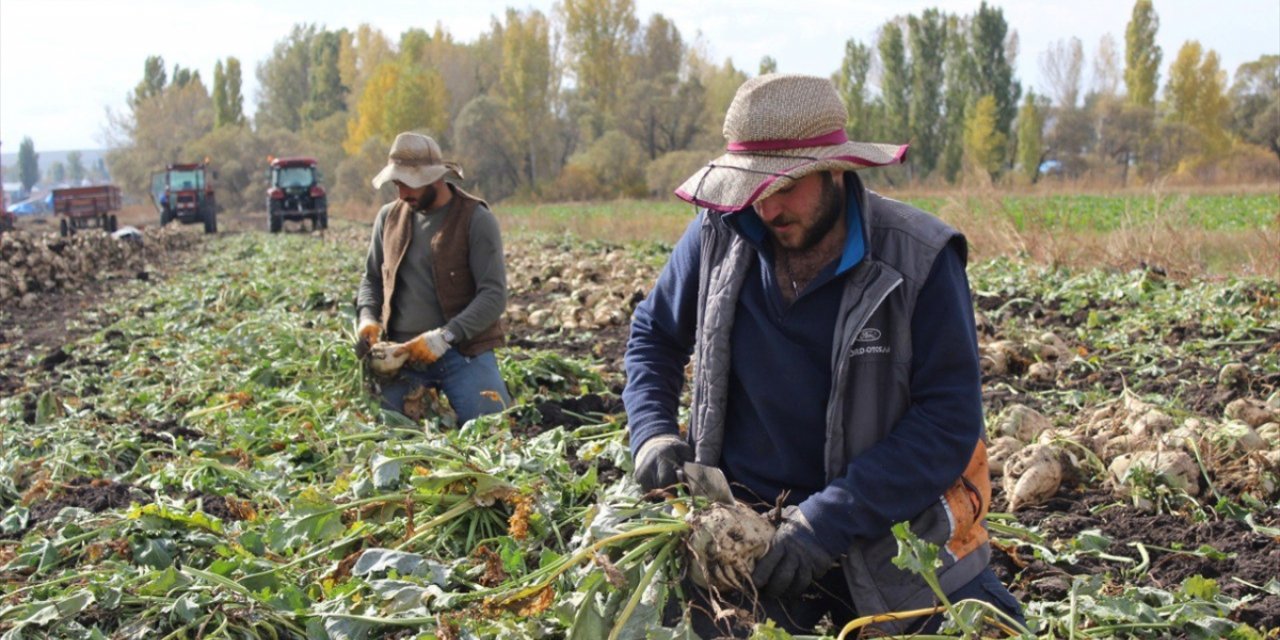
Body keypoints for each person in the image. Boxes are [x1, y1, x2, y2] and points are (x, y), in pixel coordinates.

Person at [623, 74, 1024, 637]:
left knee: (993, 628)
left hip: (892, 535)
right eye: (753, 188)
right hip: (750, 538)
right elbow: (653, 334)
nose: (767, 207)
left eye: (785, 186)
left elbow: (949, 420)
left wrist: (826, 521)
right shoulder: (718, 234)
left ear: (835, 167)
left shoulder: (920, 260)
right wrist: (653, 433)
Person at [355, 132, 511, 424]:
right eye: (397, 183)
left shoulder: (476, 219)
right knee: (387, 432)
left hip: (461, 353)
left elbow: (493, 296)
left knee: (490, 428)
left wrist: (444, 337)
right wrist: (367, 319)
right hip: (400, 356)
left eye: (409, 184)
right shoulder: (388, 218)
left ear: (435, 177)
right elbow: (372, 280)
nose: (402, 194)